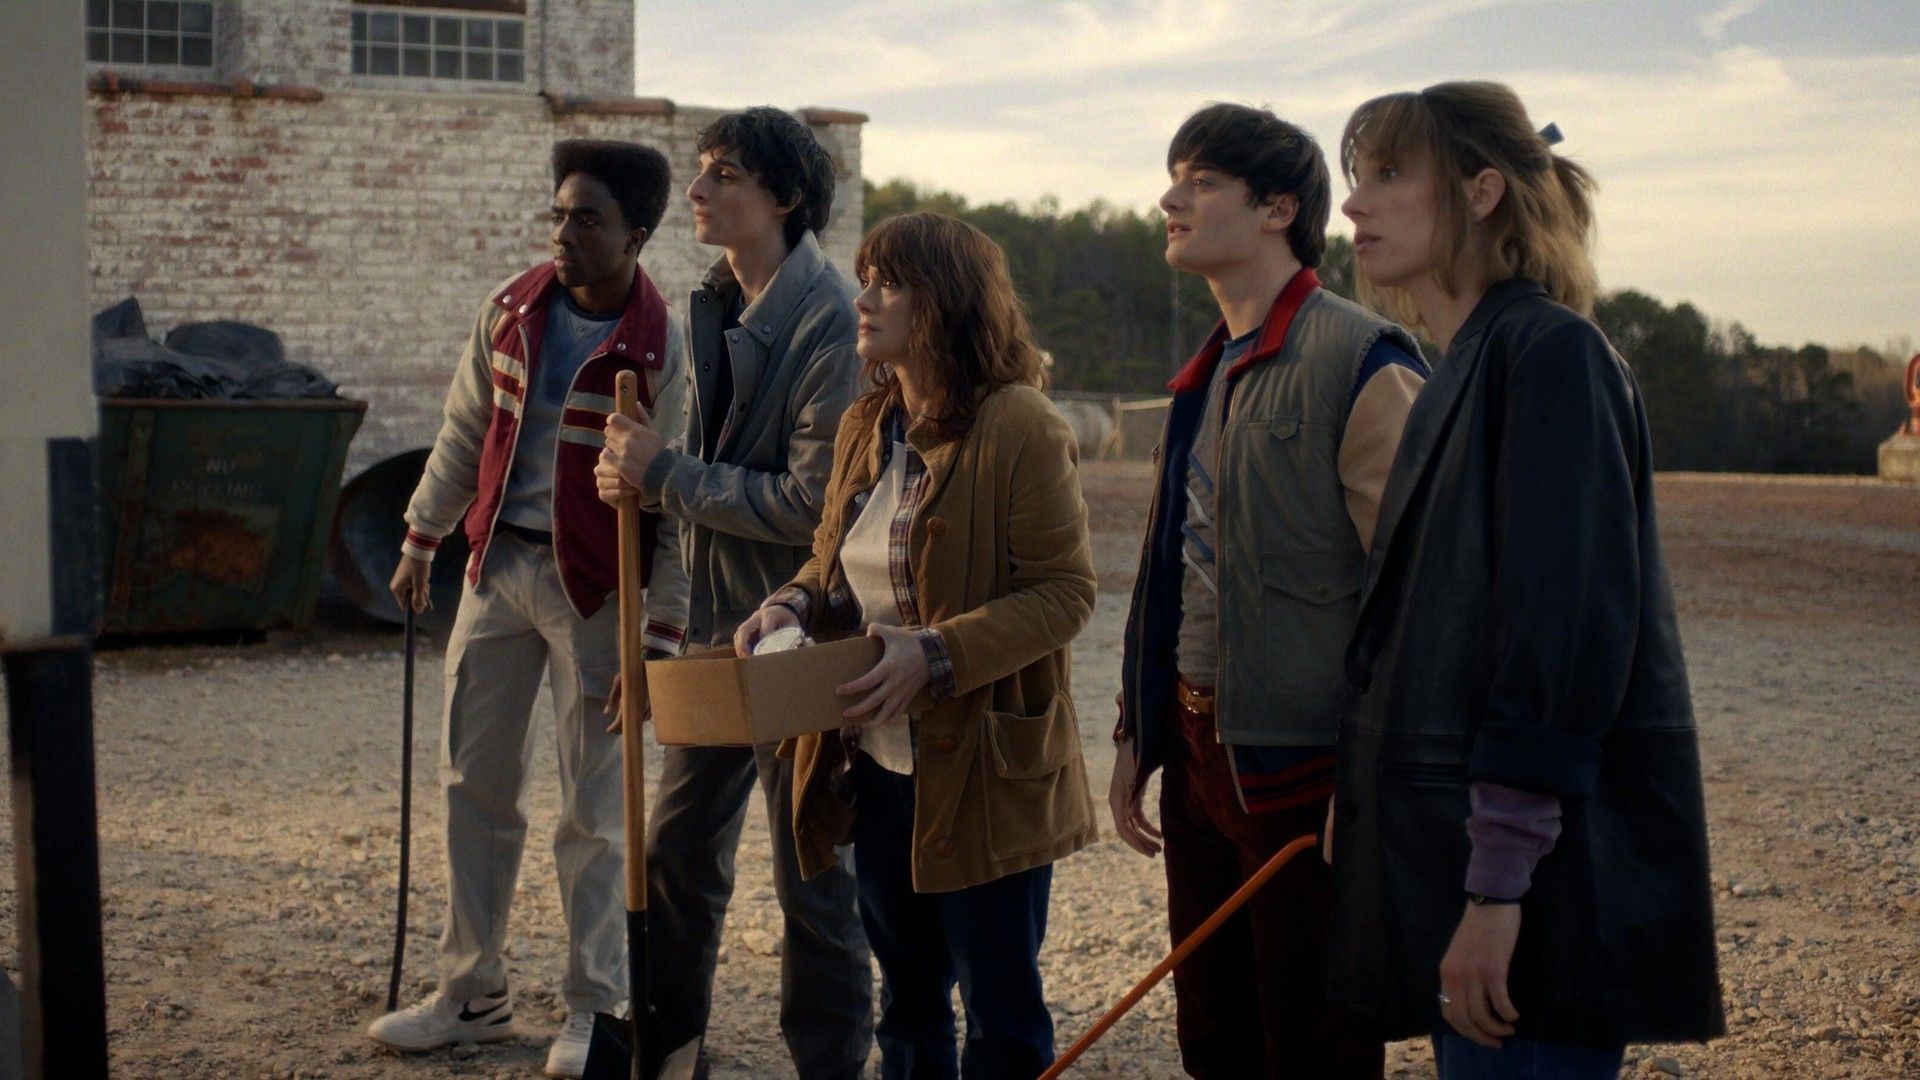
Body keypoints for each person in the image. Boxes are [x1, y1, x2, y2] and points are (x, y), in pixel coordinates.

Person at [1330, 81, 1725, 1077]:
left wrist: (1496, 888)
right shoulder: (1466, 363)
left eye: (1389, 173)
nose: (1354, 203)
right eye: (1356, 176)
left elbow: (1561, 639)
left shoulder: (1552, 356)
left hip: (1541, 897)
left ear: (1483, 192)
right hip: (1484, 876)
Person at [733, 210, 1098, 1080]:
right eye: (865, 277)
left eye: (888, 282)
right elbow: (830, 557)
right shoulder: (868, 422)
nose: (863, 298)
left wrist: (932, 654)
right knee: (907, 1006)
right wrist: (790, 603)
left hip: (984, 773)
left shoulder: (1021, 424)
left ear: (947, 302)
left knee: (1002, 1017)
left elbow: (1064, 593)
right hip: (876, 763)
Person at [1107, 103, 1426, 1079]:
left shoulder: (1362, 359)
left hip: (1308, 774)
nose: (1170, 199)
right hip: (1198, 758)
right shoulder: (1201, 375)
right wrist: (1139, 732)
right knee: (1216, 1043)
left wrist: (1372, 784)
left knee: (1316, 1049)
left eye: (1201, 181)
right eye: (1175, 177)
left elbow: (1425, 596)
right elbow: (1171, 572)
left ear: (1279, 208)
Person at [369, 139, 683, 1080]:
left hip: (599, 589)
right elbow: (466, 428)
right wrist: (422, 537)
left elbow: (676, 506)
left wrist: (657, 636)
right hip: (497, 567)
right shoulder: (511, 310)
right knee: (472, 782)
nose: (563, 234)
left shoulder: (663, 347)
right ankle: (473, 992)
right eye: (558, 214)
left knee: (596, 808)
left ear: (637, 234)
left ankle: (595, 1005)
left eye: (588, 219)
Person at [594, 106, 873, 1079]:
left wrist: (665, 474)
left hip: (802, 637)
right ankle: (670, 1054)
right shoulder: (714, 303)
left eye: (724, 174)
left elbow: (811, 507)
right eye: (701, 170)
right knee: (675, 853)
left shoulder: (832, 323)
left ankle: (830, 1067)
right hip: (719, 632)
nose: (697, 190)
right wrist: (640, 482)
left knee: (814, 880)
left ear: (785, 197)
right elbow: (689, 476)